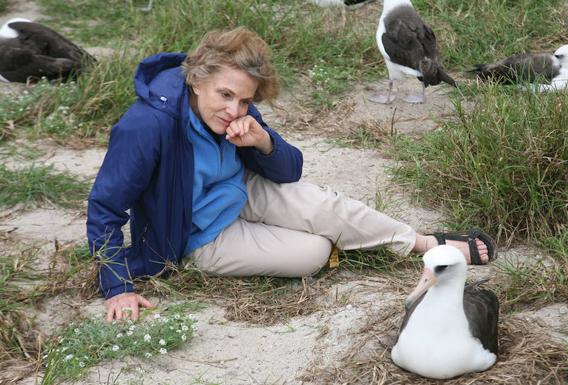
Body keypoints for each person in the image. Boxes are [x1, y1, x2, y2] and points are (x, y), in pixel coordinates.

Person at [87, 27, 497, 322]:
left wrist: (263, 142)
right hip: (196, 233)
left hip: (240, 190)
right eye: (224, 95)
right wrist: (118, 287)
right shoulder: (147, 126)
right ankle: (340, 244)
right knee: (314, 252)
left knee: (323, 204)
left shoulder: (241, 111)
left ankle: (423, 243)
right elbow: (105, 205)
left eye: (244, 100)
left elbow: (290, 171)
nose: (234, 110)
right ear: (196, 81)